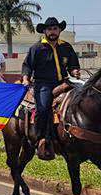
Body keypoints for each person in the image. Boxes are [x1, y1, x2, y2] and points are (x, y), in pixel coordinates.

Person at [21, 17, 80, 160]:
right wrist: (25, 78)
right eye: (49, 29)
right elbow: (27, 65)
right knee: (43, 108)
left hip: (64, 82)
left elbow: (73, 65)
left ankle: (75, 136)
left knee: (80, 99)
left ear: (59, 30)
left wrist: (74, 72)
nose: (52, 32)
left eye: (55, 29)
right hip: (43, 83)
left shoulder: (66, 46)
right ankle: (41, 139)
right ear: (45, 31)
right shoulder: (37, 48)